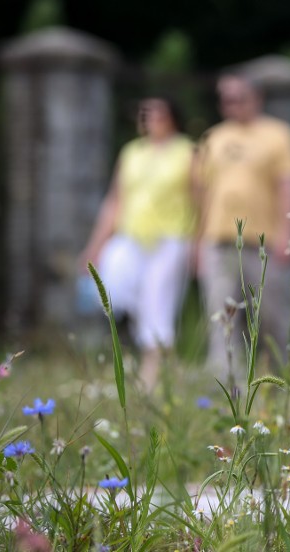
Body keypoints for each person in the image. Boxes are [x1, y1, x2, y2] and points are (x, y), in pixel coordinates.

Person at [193, 73, 290, 384]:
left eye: (238, 98)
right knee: (221, 316)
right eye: (225, 99)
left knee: (270, 319)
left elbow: (288, 187)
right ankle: (228, 385)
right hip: (218, 240)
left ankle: (279, 381)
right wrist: (197, 242)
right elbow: (201, 194)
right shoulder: (212, 138)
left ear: (256, 98)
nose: (231, 105)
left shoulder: (278, 135)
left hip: (263, 242)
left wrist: (288, 233)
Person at [81, 97, 196, 391]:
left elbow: (199, 201)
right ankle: (163, 356)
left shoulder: (187, 151)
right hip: (130, 236)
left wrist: (197, 244)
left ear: (172, 117)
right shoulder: (131, 151)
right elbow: (115, 200)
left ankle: (152, 369)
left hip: (171, 237)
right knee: (114, 287)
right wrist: (95, 246)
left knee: (157, 297)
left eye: (157, 113)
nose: (149, 119)